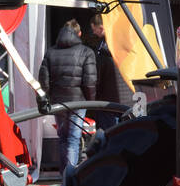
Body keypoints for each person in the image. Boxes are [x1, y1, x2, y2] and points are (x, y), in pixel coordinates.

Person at [38, 18, 96, 172]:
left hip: (58, 101)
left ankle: (64, 174)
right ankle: (70, 176)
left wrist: (48, 96)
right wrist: (91, 102)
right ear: (80, 33)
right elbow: (90, 81)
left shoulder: (51, 52)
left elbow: (43, 80)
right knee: (73, 138)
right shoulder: (86, 52)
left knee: (63, 138)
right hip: (78, 101)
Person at [82, 13, 125, 134]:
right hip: (117, 97)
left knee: (109, 132)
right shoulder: (111, 43)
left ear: (101, 28)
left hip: (108, 99)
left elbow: (99, 74)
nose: (94, 33)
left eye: (94, 30)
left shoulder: (106, 48)